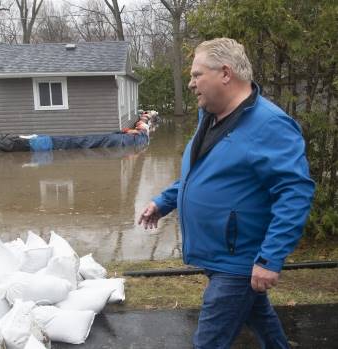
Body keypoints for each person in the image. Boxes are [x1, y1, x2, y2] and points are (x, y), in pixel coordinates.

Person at [137, 38, 315, 348]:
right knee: (261, 319)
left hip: (239, 261)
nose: (191, 84)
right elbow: (200, 173)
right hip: (219, 255)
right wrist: (164, 201)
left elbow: (294, 193)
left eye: (196, 75)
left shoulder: (269, 125)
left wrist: (270, 258)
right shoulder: (209, 116)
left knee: (209, 342)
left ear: (225, 73)